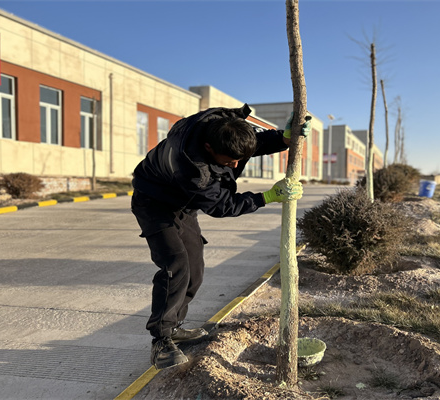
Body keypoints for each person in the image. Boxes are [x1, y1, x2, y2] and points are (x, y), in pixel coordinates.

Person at [131, 103, 311, 369]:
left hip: (182, 203)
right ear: (208, 149)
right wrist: (266, 197)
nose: (236, 165)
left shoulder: (223, 127)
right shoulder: (194, 170)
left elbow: (253, 143)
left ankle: (175, 326)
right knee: (176, 265)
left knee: (195, 267)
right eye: (229, 162)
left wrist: (283, 139)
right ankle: (162, 339)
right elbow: (221, 206)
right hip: (154, 202)